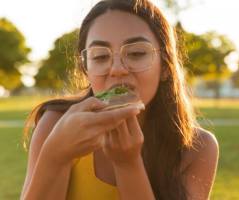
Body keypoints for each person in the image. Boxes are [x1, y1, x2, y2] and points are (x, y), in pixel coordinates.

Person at [21, 0, 219, 199]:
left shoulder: (197, 148)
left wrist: (127, 164)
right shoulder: (55, 124)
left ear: (166, 67)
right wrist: (56, 154)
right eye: (99, 56)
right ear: (86, 70)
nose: (117, 69)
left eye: (136, 53)